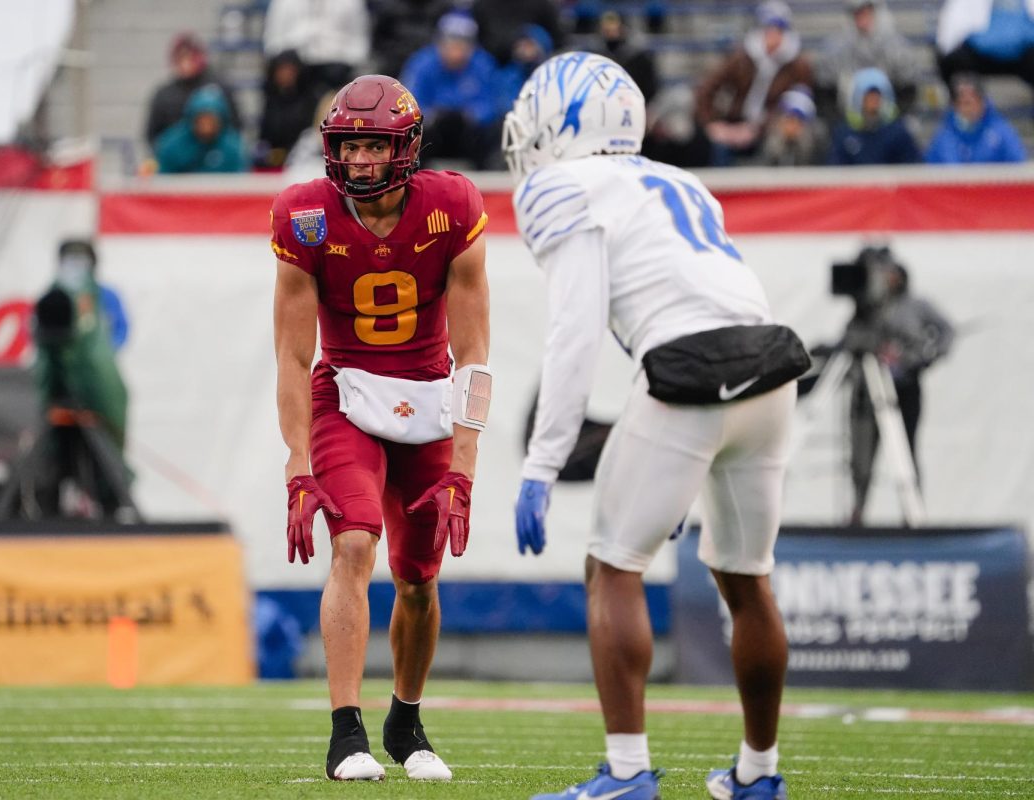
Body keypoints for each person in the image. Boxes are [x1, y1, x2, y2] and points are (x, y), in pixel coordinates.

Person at [503, 52, 807, 800]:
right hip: (770, 365)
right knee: (746, 579)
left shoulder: (557, 184)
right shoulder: (680, 179)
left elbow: (574, 332)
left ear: (554, 120)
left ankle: (628, 774)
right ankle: (757, 774)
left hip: (688, 371)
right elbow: (717, 295)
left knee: (613, 565)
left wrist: (543, 464)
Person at [270, 74, 490, 782]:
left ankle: (405, 718)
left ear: (406, 148)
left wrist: (465, 465)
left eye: (375, 146)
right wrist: (296, 463)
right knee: (355, 545)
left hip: (427, 401)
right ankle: (345, 733)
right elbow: (294, 355)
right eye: (351, 146)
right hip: (348, 396)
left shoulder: (452, 207)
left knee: (420, 579)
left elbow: (474, 356)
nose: (361, 161)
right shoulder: (305, 215)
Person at [30, 240, 132, 519]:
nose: (75, 267)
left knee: (105, 451)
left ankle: (111, 501)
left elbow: (122, 330)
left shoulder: (105, 296)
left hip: (96, 386)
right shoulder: (51, 296)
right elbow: (42, 336)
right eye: (69, 259)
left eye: (80, 260)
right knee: (53, 453)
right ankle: (50, 503)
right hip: (59, 387)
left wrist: (98, 353)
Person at [849, 257, 954, 525]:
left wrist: (922, 358)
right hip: (869, 388)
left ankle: (912, 513)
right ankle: (858, 511)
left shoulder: (917, 306)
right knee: (862, 454)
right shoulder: (869, 309)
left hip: (905, 388)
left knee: (906, 451)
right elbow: (851, 341)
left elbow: (946, 332)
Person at [695, 1, 814, 165]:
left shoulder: (797, 66)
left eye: (778, 30)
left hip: (771, 128)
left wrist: (760, 127)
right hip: (735, 123)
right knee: (717, 149)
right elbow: (707, 87)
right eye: (769, 29)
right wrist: (713, 123)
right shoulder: (741, 59)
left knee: (776, 146)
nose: (773, 36)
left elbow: (799, 104)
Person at [401, 11, 502, 169]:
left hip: (469, 134)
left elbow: (491, 104)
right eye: (451, 43)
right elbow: (410, 104)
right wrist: (434, 116)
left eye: (462, 44)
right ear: (440, 42)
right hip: (433, 132)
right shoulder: (421, 63)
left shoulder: (484, 64)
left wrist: (471, 115)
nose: (456, 50)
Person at [815, 0, 920, 122]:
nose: (862, 19)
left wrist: (892, 121)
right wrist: (841, 125)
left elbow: (908, 90)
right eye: (858, 13)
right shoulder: (835, 48)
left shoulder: (898, 47)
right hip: (847, 120)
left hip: (890, 121)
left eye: (867, 13)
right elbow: (825, 92)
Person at [144, 32, 243, 150]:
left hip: (216, 159)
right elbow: (153, 135)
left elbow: (235, 126)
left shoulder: (220, 88)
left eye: (190, 57)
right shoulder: (164, 94)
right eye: (180, 58)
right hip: (177, 161)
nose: (185, 64)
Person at [925, 72, 1028, 163]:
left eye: (971, 102)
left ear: (982, 102)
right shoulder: (944, 137)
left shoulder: (1002, 132)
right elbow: (931, 173)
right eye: (962, 103)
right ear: (954, 106)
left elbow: (1018, 166)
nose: (968, 109)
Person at [936, 0, 1034, 92]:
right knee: (953, 61)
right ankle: (960, 104)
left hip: (1022, 55)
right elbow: (951, 29)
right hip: (980, 55)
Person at [829, 67, 921, 165]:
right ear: (858, 99)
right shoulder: (845, 133)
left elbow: (913, 167)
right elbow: (835, 168)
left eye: (877, 96)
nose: (873, 101)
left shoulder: (898, 133)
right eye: (868, 96)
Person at [153, 85, 247, 174]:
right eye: (201, 120)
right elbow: (163, 179)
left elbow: (240, 180)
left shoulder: (233, 147)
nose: (206, 126)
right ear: (191, 119)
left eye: (211, 120)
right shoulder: (171, 146)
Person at [256, 49, 320, 169]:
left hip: (303, 161)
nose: (286, 74)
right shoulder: (271, 100)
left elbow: (311, 134)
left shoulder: (311, 99)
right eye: (282, 70)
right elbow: (265, 135)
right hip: (274, 163)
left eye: (290, 70)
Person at [760, 86, 829, 166]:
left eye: (797, 121)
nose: (791, 125)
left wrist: (800, 144)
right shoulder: (770, 139)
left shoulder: (817, 144)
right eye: (788, 119)